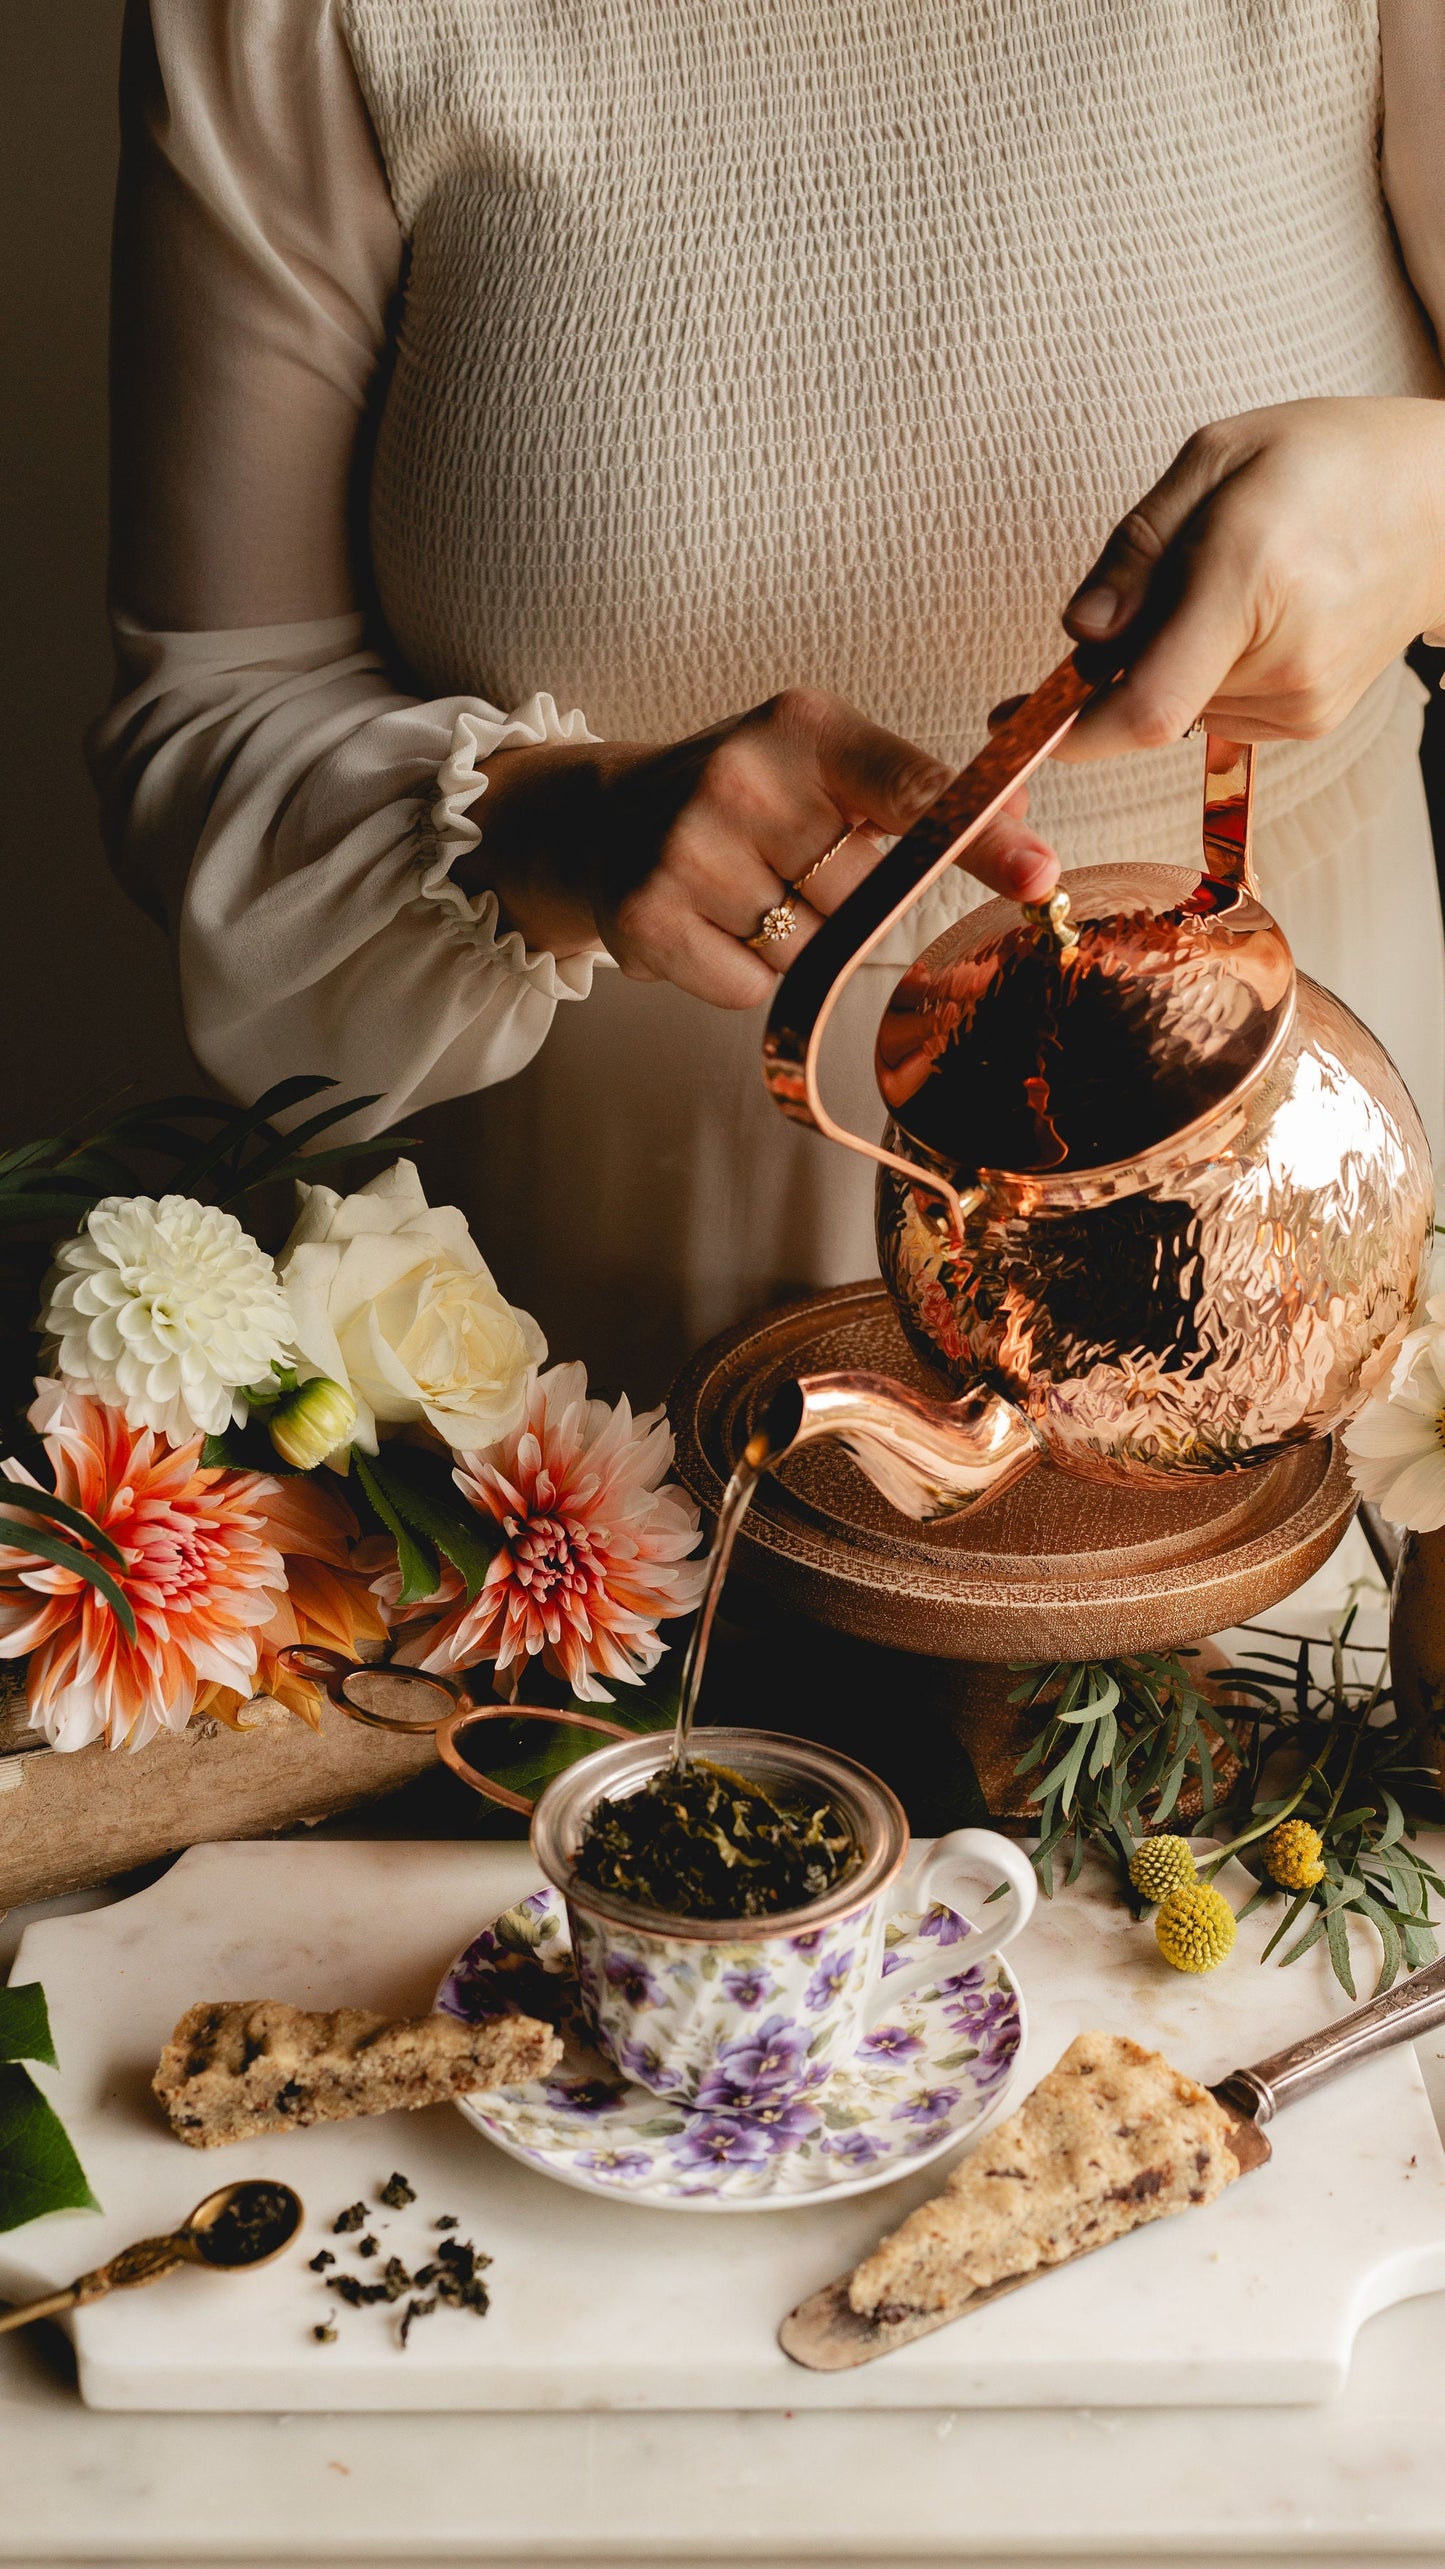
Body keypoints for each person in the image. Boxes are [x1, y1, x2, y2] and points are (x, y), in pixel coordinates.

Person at [92, 0, 1445, 1399]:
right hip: (576, 1355)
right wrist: (561, 829)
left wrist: (1424, 513)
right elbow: (209, 720)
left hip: (1296, 1235)